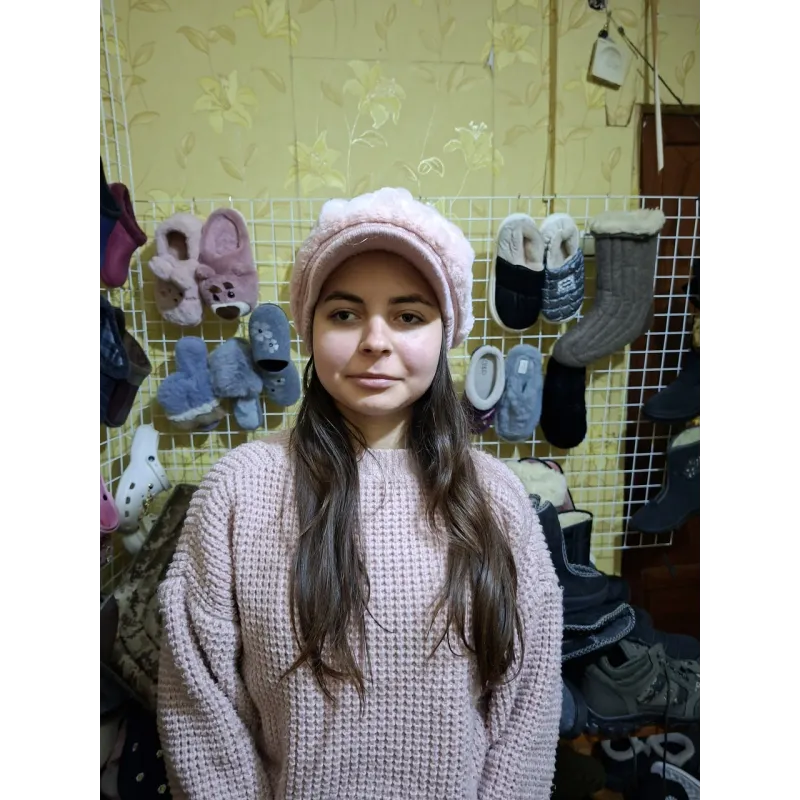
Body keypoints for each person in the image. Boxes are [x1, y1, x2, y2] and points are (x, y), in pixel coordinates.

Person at [157, 187, 563, 799]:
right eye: (345, 314)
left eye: (408, 316)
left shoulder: (496, 499)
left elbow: (526, 714)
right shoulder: (240, 489)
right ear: (309, 329)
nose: (375, 340)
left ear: (445, 332)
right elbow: (198, 703)